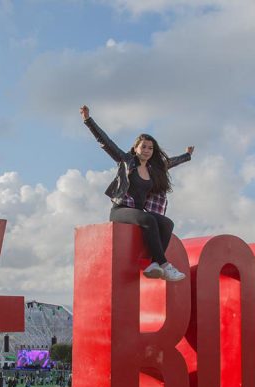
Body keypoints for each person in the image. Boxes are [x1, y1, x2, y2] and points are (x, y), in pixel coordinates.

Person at [81, 105, 194, 281]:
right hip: (120, 211)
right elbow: (106, 142)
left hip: (139, 214)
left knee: (167, 223)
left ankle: (155, 264)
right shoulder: (126, 161)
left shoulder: (153, 168)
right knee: (148, 219)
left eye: (150, 148)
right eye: (144, 147)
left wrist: (187, 156)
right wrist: (88, 120)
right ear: (136, 148)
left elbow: (170, 162)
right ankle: (165, 265)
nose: (147, 151)